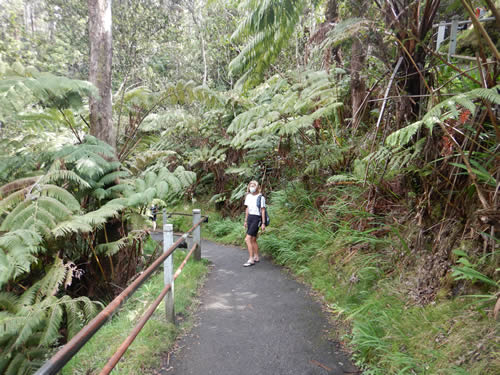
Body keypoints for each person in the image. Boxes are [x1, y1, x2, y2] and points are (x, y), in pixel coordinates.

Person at [243, 180, 266, 267]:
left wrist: (263, 223)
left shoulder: (261, 197)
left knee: (247, 239)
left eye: (254, 185)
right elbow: (247, 208)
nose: (252, 187)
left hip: (257, 218)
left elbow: (263, 210)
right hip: (250, 218)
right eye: (250, 185)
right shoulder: (248, 196)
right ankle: (256, 256)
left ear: (257, 187)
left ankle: (251, 259)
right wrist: (245, 220)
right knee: (253, 239)